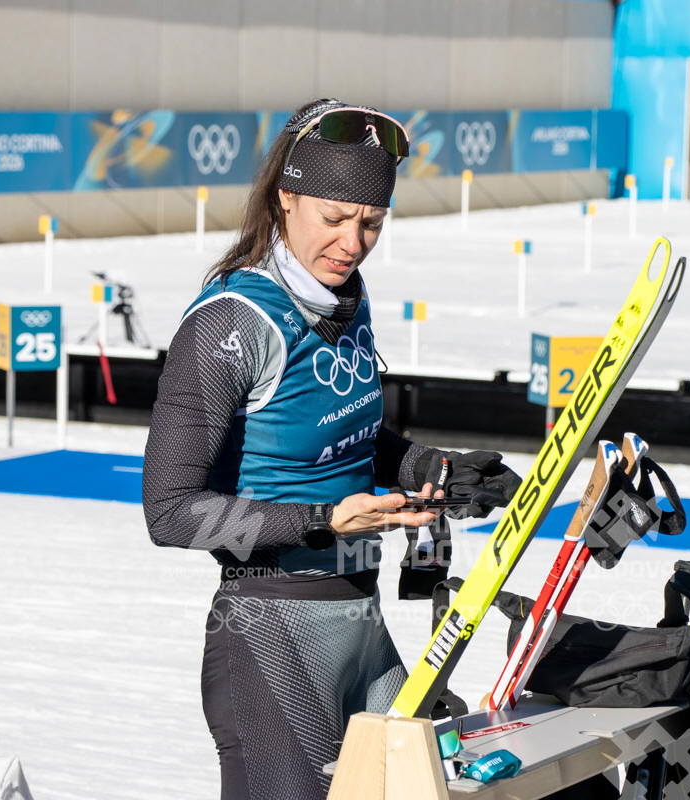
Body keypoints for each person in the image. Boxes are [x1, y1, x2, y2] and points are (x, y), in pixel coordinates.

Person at [142, 98, 521, 800]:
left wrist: (433, 469)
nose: (353, 242)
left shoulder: (345, 298)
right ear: (285, 198)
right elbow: (168, 512)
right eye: (336, 217)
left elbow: (346, 436)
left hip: (359, 622)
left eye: (372, 223)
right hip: (269, 631)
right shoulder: (230, 324)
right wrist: (324, 519)